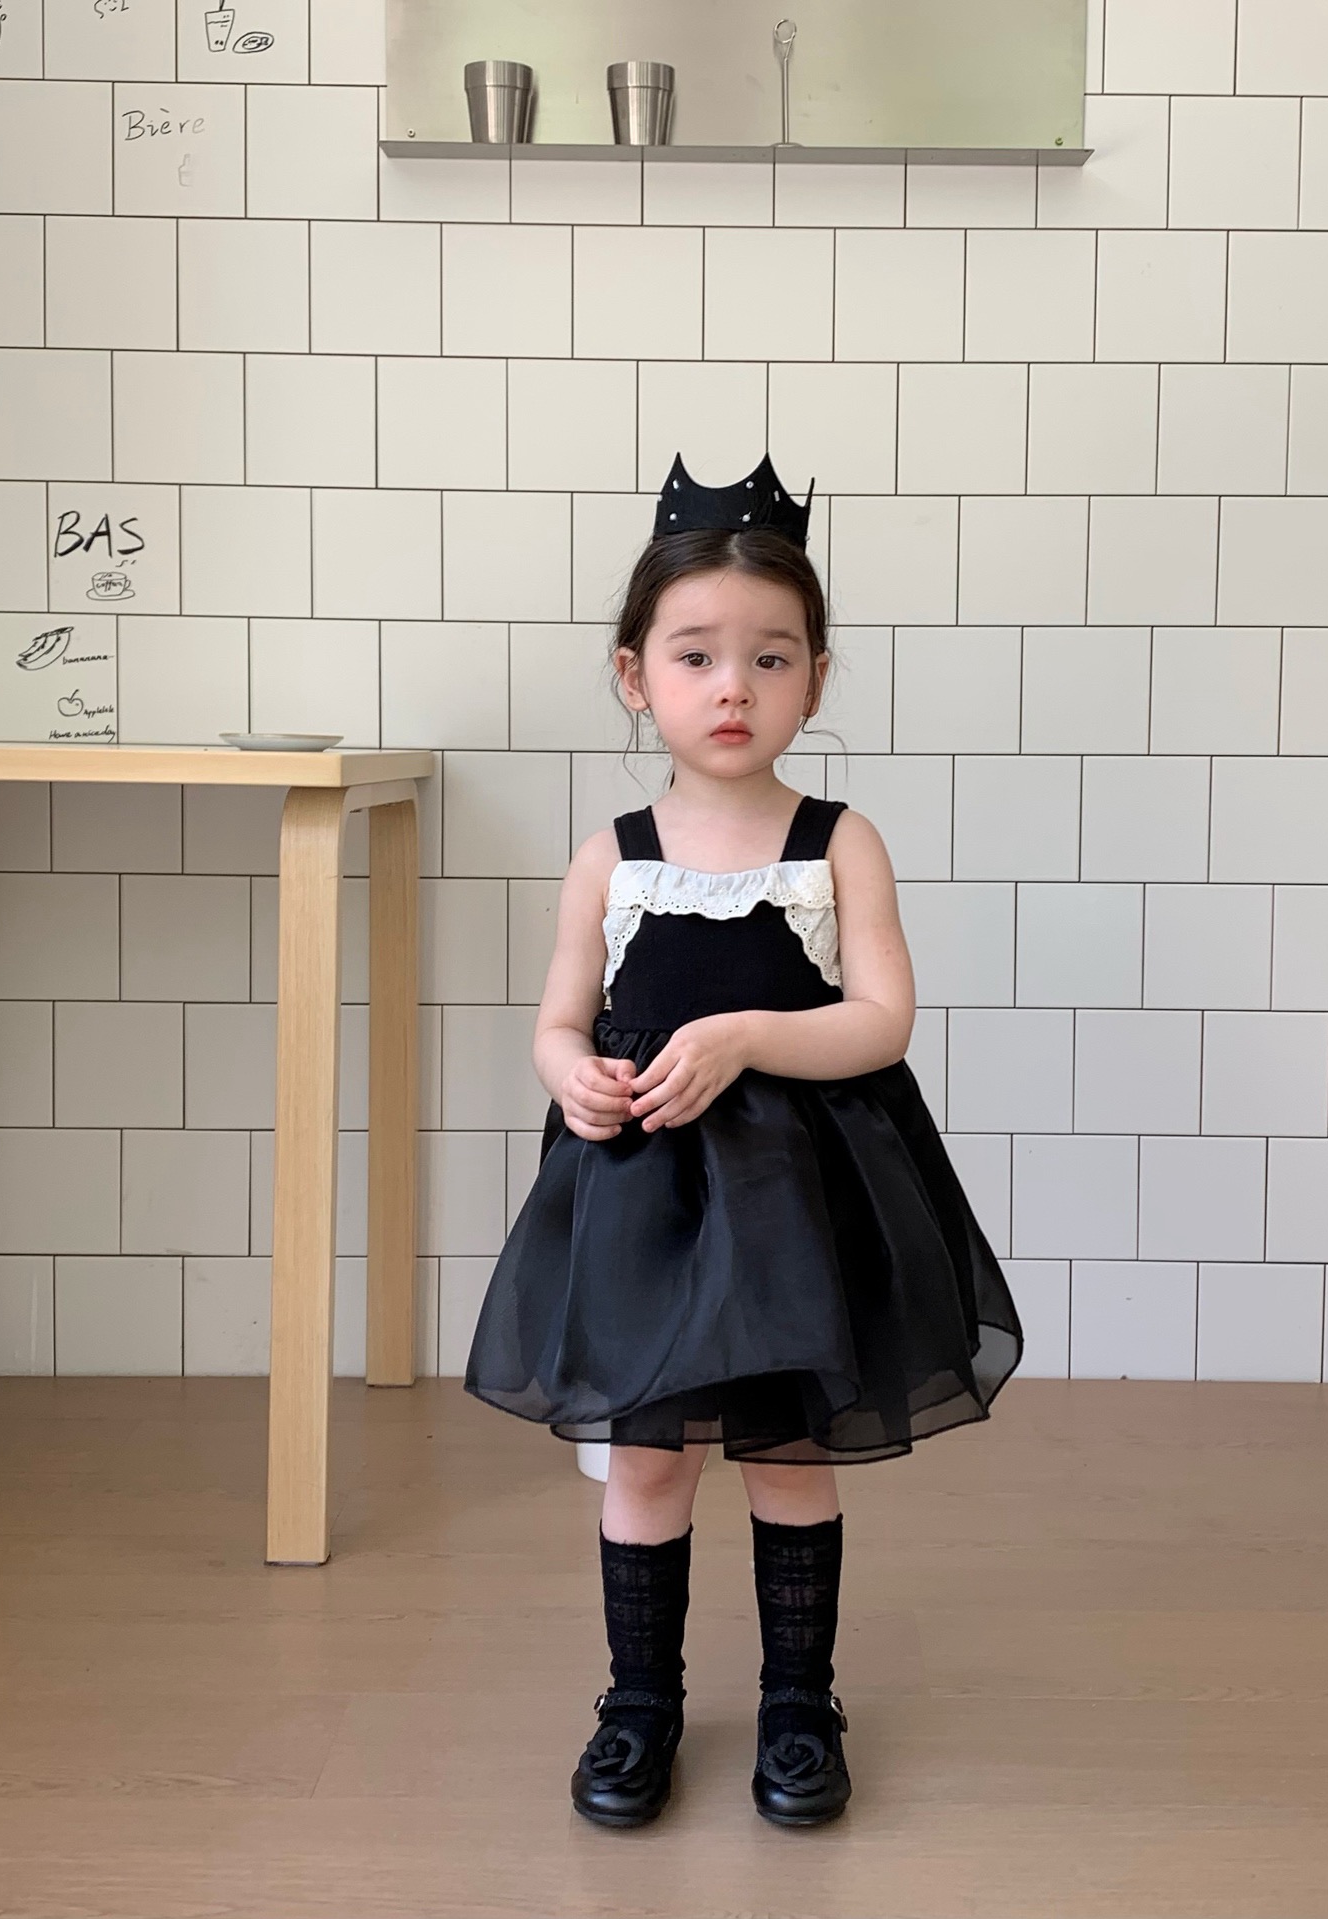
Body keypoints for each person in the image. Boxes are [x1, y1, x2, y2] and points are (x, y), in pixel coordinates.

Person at [464, 452, 1024, 1830]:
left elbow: (881, 1022)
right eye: (698, 656)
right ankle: (638, 1704)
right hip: (643, 1198)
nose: (734, 688)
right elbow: (557, 1020)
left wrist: (748, 1037)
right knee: (650, 1458)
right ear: (634, 674)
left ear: (815, 681)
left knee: (788, 1453)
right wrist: (571, 1076)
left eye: (771, 658)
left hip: (793, 1207)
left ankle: (798, 1704)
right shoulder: (612, 854)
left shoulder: (838, 843)